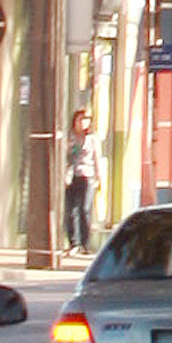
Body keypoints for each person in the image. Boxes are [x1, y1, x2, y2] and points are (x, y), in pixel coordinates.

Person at [63, 108, 97, 258]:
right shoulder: (70, 137)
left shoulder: (92, 139)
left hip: (87, 176)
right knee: (71, 210)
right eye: (80, 119)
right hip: (71, 176)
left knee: (85, 209)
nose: (83, 122)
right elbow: (64, 156)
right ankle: (73, 242)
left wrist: (98, 178)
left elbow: (97, 158)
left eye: (86, 119)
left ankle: (85, 243)